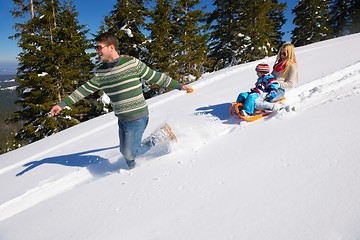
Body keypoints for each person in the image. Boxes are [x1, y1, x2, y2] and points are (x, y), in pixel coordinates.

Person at [50, 32, 192, 169]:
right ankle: (134, 174)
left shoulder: (131, 63)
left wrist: (179, 86)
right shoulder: (101, 72)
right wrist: (62, 104)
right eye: (96, 48)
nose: (97, 51)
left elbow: (155, 77)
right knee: (126, 153)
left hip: (138, 116)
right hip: (122, 118)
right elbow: (84, 90)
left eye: (99, 47)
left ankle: (161, 135)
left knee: (129, 153)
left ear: (111, 47)